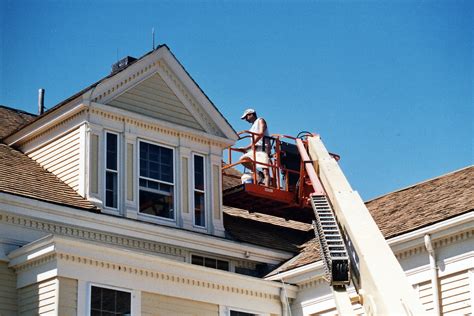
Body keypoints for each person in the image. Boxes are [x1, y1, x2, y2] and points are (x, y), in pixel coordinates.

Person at [237, 108, 271, 186]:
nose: (246, 119)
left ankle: (267, 187)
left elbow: (261, 132)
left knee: (265, 170)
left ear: (251, 114)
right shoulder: (252, 127)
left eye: (246, 117)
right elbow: (253, 141)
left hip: (263, 148)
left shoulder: (260, 120)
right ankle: (258, 173)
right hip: (255, 149)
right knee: (243, 160)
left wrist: (252, 144)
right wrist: (246, 148)